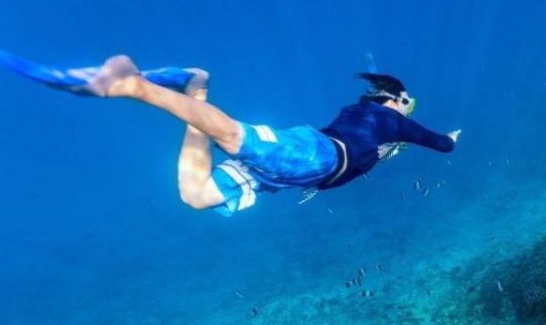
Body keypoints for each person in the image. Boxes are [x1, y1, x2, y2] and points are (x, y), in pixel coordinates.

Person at [95, 56, 460, 216]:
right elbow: (440, 145)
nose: (409, 110)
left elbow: (364, 143)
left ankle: (196, 95)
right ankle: (142, 88)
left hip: (301, 172)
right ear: (396, 99)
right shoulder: (391, 120)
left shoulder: (363, 115)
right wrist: (452, 137)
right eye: (408, 103)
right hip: (315, 156)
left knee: (197, 196)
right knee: (232, 136)